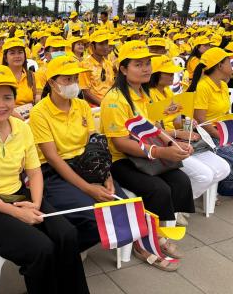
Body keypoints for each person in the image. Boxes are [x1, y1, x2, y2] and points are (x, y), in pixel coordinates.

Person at [0, 65, 89, 294]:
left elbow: (35, 172)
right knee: (41, 248)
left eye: (7, 97)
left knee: (67, 234)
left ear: (15, 99)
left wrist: (36, 206)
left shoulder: (21, 128)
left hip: (16, 194)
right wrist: (18, 213)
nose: (1, 104)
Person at [100, 41, 195, 271]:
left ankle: (160, 232)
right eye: (138, 64)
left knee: (180, 180)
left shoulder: (146, 94)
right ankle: (144, 245)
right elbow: (120, 143)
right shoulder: (115, 100)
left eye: (147, 63)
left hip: (146, 155)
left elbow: (156, 128)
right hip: (120, 159)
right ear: (123, 69)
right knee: (158, 189)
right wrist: (161, 151)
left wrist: (175, 144)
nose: (146, 69)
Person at [30, 55, 125, 252]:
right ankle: (68, 249)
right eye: (67, 79)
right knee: (94, 214)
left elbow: (95, 144)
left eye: (75, 78)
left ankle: (75, 245)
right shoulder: (39, 113)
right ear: (52, 83)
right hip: (54, 172)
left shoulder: (81, 106)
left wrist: (106, 175)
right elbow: (54, 159)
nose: (73, 84)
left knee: (121, 206)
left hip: (87, 164)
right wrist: (88, 189)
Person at [149, 55, 229, 202]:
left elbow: (176, 122)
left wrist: (187, 124)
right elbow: (151, 131)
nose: (172, 75)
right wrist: (179, 133)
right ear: (155, 75)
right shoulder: (148, 96)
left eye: (172, 72)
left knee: (223, 169)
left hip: (178, 139)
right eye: (167, 72)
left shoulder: (168, 92)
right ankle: (178, 206)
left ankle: (181, 201)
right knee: (205, 175)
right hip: (163, 143)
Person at [188, 47, 233, 196]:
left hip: (223, 132)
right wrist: (221, 136)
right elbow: (201, 119)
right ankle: (225, 186)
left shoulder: (223, 85)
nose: (231, 65)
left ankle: (227, 183)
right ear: (220, 66)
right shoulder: (203, 87)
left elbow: (225, 114)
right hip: (209, 136)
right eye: (229, 62)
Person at [79, 30, 115, 107]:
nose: (105, 47)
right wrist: (104, 105)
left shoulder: (108, 63)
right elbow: (86, 92)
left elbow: (112, 85)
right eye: (101, 44)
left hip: (111, 103)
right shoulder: (85, 65)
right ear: (92, 46)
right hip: (94, 107)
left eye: (106, 43)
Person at [2, 37, 40, 109]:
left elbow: (37, 96)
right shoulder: (0, 76)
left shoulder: (31, 76)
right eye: (12, 53)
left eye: (20, 52)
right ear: (5, 58)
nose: (17, 56)